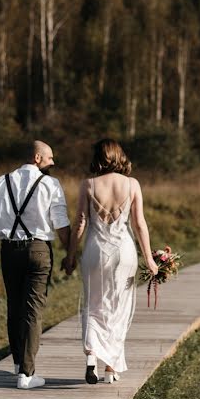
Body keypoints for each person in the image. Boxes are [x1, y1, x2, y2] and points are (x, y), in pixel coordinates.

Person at [64, 139, 158, 384]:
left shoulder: (88, 184)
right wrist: (149, 258)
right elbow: (139, 223)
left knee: (94, 305)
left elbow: (81, 222)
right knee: (119, 308)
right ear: (119, 156)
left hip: (95, 251)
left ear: (98, 157)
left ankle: (92, 358)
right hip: (124, 252)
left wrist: (71, 255)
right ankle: (111, 369)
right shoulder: (132, 184)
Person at [0, 140, 71, 390]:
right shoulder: (51, 184)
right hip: (39, 250)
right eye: (50, 158)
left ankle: (18, 362)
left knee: (14, 306)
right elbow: (61, 223)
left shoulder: (1, 182)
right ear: (37, 158)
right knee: (33, 309)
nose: (53, 162)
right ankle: (27, 374)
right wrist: (69, 253)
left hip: (8, 250)